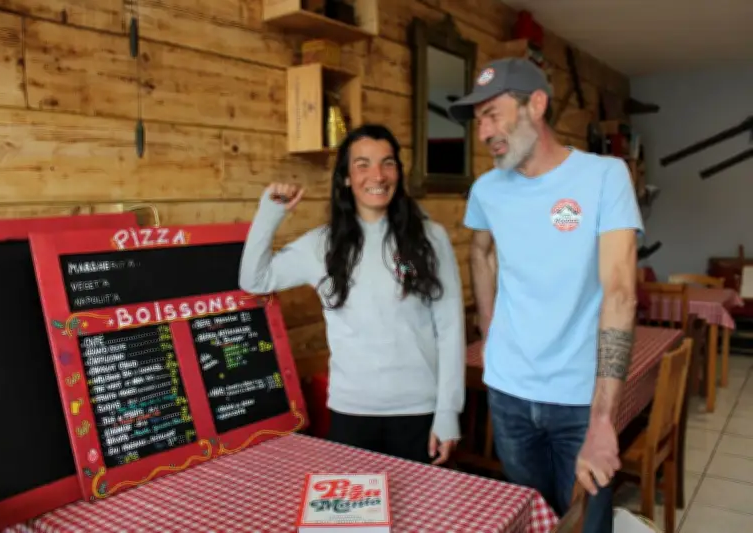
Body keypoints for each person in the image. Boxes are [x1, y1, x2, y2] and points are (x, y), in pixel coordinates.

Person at [448, 58, 642, 531]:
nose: (483, 133)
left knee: (587, 523)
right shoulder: (487, 190)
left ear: (536, 104)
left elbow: (620, 293)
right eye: (478, 122)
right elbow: (479, 250)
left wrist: (602, 420)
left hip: (580, 397)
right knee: (530, 521)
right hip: (509, 392)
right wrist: (491, 329)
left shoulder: (605, 176)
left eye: (493, 114)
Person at [238, 123, 466, 465]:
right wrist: (270, 214)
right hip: (351, 413)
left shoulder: (431, 238)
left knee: (422, 517)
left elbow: (450, 329)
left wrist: (449, 412)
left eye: (387, 163)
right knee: (355, 519)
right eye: (363, 164)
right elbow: (254, 279)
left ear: (398, 173)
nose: (377, 174)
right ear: (345, 178)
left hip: (420, 412)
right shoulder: (321, 245)